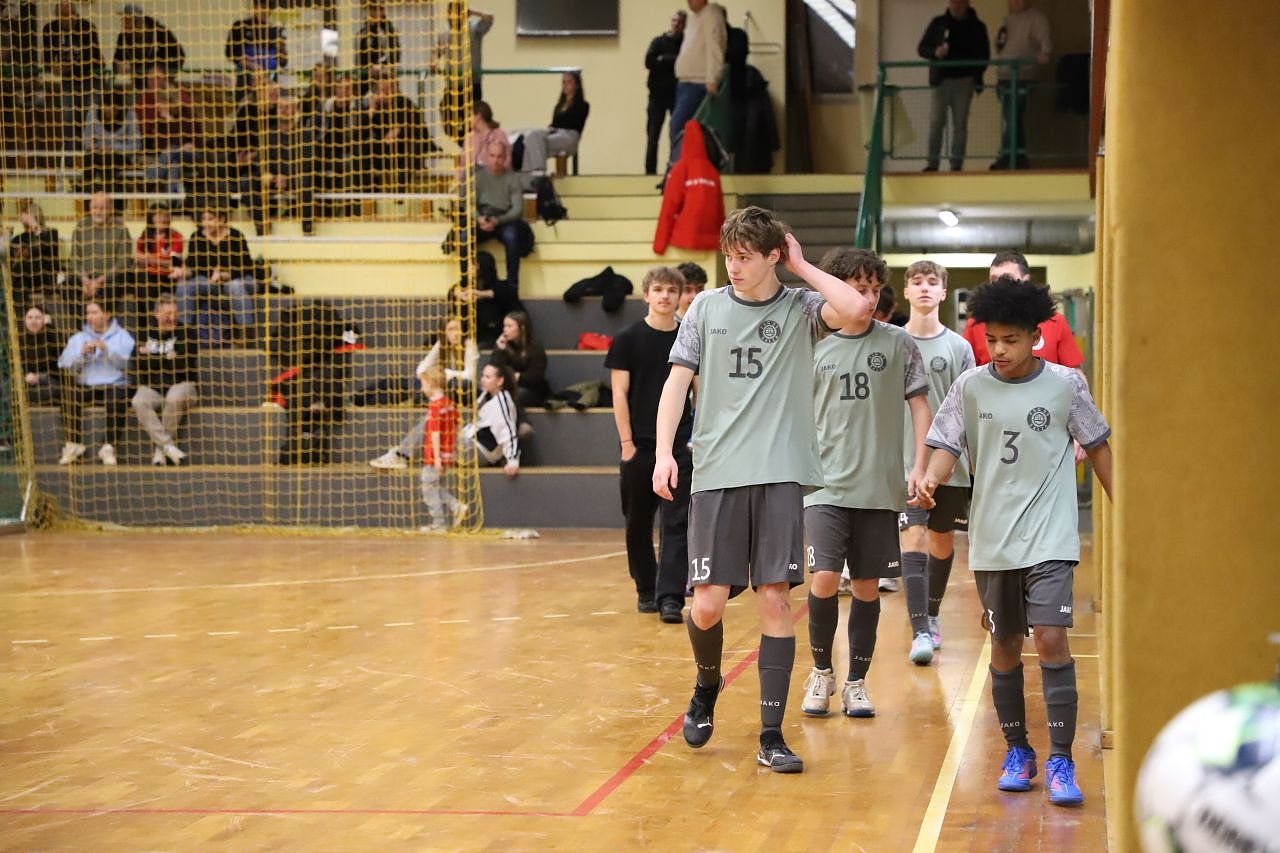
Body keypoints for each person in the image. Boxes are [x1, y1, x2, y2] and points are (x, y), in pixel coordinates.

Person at [652, 206, 875, 774]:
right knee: (706, 606)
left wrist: (803, 266)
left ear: (774, 255)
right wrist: (663, 453)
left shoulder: (801, 308)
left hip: (779, 474)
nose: (734, 266)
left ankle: (771, 735)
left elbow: (856, 307)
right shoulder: (705, 308)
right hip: (717, 473)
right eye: (729, 256)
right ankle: (706, 686)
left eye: (746, 257)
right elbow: (676, 383)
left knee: (775, 599)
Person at [915, 275, 1113, 808]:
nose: (999, 350)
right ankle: (1018, 751)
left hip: (1050, 535)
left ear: (1034, 338)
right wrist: (931, 478)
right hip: (992, 539)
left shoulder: (1066, 385)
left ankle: (1061, 759)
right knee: (1003, 645)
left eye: (1010, 340)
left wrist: (1127, 509)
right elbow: (945, 443)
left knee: (1049, 636)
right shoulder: (970, 386)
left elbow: (1098, 446)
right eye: (992, 340)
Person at [799, 248, 931, 719]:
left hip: (878, 487)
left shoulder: (899, 343)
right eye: (859, 289)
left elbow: (920, 407)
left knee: (867, 587)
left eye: (875, 290)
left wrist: (920, 465)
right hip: (823, 486)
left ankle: (856, 681)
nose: (869, 299)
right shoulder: (811, 342)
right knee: (824, 578)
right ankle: (821, 672)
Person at [606, 266, 694, 624]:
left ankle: (670, 597)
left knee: (677, 525)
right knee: (638, 524)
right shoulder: (627, 339)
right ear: (646, 295)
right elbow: (619, 394)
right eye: (658, 289)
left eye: (672, 290)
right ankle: (645, 588)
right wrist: (627, 444)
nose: (665, 296)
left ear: (679, 296)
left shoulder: (688, 337)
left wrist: (695, 440)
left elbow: (700, 390)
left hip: (679, 447)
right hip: (639, 448)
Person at [897, 260, 975, 655]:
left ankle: (931, 612)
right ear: (906, 291)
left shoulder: (959, 347)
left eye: (932, 282)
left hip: (949, 465)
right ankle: (920, 632)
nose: (924, 287)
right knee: (913, 537)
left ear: (944, 292)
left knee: (941, 544)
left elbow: (970, 407)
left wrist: (968, 457)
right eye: (917, 282)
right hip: (904, 461)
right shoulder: (893, 342)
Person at [368, 315, 479, 469]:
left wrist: (444, 373)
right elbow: (421, 369)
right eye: (451, 329)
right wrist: (431, 376)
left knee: (442, 400)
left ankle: (401, 454)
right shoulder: (441, 345)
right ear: (444, 332)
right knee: (394, 382)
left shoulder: (469, 345)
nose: (455, 333)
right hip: (438, 386)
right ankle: (355, 399)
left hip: (459, 391)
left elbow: (469, 376)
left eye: (458, 329)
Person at [962, 250, 1082, 369]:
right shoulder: (976, 323)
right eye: (994, 279)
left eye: (1007, 278)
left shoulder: (1055, 321)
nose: (1000, 285)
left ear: (1026, 280)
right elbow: (965, 370)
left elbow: (1074, 371)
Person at [56, 298, 134, 466]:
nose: (89, 317)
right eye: (88, 313)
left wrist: (106, 349)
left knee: (117, 400)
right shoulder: (78, 337)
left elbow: (128, 365)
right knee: (69, 396)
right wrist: (82, 355)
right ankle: (74, 444)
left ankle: (108, 447)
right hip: (87, 384)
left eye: (94, 312)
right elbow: (64, 364)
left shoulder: (123, 336)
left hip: (115, 384)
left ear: (107, 314)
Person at [917, 0, 989, 172]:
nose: (955, 4)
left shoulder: (977, 27)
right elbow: (922, 48)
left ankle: (956, 165)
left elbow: (984, 55)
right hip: (941, 80)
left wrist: (974, 75)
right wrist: (935, 52)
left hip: (965, 81)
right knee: (936, 123)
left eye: (958, 1)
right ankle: (932, 164)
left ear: (966, 3)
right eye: (952, 1)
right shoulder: (938, 23)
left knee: (960, 126)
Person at [132, 294, 197, 466]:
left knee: (173, 398)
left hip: (183, 385)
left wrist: (152, 356)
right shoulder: (145, 333)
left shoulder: (187, 332)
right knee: (138, 401)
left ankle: (160, 450)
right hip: (153, 388)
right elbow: (138, 362)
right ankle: (168, 447)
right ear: (157, 314)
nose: (173, 317)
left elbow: (183, 364)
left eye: (175, 313)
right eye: (168, 313)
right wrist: (167, 357)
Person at [176, 207, 257, 344]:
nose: (205, 223)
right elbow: (194, 266)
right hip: (210, 281)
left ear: (222, 219)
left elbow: (245, 266)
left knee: (235, 286)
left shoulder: (236, 235)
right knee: (184, 286)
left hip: (238, 278)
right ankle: (183, 333)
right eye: (203, 219)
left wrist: (224, 275)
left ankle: (246, 334)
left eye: (210, 219)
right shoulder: (197, 236)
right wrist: (183, 272)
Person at [991, 0, 1051, 170]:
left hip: (1023, 77)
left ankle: (1006, 157)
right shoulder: (1006, 20)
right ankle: (1020, 159)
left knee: (1012, 117)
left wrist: (1043, 54)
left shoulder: (1037, 18)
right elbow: (999, 45)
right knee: (1013, 118)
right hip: (1003, 77)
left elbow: (1046, 47)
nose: (1015, 2)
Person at [653, 120, 724, 255]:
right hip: (710, 240)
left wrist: (659, 245)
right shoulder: (713, 172)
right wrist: (724, 243)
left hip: (685, 238)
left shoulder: (680, 169)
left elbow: (669, 207)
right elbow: (720, 210)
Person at [474, 139, 534, 292]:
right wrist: (478, 218)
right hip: (482, 217)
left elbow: (517, 210)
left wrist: (497, 221)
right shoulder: (477, 177)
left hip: (504, 220)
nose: (496, 161)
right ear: (486, 156)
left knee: (511, 236)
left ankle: (512, 285)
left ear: (505, 157)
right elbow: (467, 204)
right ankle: (466, 283)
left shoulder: (512, 179)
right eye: (492, 156)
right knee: (463, 237)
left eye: (499, 156)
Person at [42, 0, 102, 151]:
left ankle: (90, 153)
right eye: (62, 15)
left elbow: (96, 57)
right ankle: (71, 156)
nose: (66, 19)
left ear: (75, 14)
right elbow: (48, 60)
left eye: (68, 14)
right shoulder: (50, 29)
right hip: (68, 81)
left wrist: (73, 65)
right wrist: (55, 67)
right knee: (68, 118)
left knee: (90, 117)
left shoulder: (87, 27)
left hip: (89, 79)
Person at [668, 0, 725, 151]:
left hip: (698, 83)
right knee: (681, 129)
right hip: (685, 82)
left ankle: (680, 163)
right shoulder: (693, 18)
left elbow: (715, 48)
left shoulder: (711, 15)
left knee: (678, 127)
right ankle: (682, 162)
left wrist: (713, 78)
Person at [514, 71, 589, 176]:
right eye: (563, 82)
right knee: (531, 137)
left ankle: (539, 171)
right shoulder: (559, 105)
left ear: (576, 85)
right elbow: (555, 123)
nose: (565, 85)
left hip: (569, 137)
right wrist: (551, 128)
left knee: (536, 144)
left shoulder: (583, 105)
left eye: (568, 82)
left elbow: (574, 123)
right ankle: (529, 173)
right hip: (555, 133)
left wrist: (555, 128)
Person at [418, 366, 465, 531]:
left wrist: (437, 457)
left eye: (423, 384)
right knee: (436, 487)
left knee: (428, 489)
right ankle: (456, 507)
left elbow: (435, 433)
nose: (422, 389)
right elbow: (457, 427)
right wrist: (451, 451)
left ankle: (439, 524)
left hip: (434, 456)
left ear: (432, 384)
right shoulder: (450, 404)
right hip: (447, 453)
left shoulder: (435, 406)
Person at [70, 191, 134, 306]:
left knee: (114, 287)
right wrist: (84, 279)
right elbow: (75, 258)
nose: (98, 211)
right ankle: (83, 317)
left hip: (110, 278)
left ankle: (103, 316)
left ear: (110, 209)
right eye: (95, 207)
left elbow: (123, 261)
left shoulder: (121, 228)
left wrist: (100, 281)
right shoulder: (81, 227)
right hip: (85, 278)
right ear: (90, 209)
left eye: (102, 208)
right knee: (65, 285)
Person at [460, 362, 520, 479]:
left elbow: (508, 431)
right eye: (483, 376)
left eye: (487, 377)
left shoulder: (502, 402)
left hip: (483, 451)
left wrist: (513, 461)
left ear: (499, 381)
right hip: (472, 442)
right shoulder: (486, 396)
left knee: (438, 432)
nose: (482, 379)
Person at [643, 9, 686, 175]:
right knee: (653, 136)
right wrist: (671, 60)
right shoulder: (658, 41)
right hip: (657, 95)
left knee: (677, 135)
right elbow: (649, 61)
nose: (676, 24)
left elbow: (684, 61)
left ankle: (674, 171)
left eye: (679, 22)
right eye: (674, 21)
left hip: (677, 95)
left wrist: (663, 59)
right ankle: (650, 172)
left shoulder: (686, 43)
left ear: (684, 25)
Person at [81, 86, 141, 193]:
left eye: (113, 109)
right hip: (97, 154)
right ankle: (88, 195)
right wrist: (95, 147)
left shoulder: (130, 116)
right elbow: (86, 141)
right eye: (106, 108)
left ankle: (110, 195)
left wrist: (113, 147)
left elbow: (136, 145)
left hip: (120, 156)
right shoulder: (93, 113)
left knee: (107, 160)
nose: (108, 111)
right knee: (89, 160)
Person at [112, 4, 184, 90]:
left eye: (126, 20)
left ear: (138, 21)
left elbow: (180, 55)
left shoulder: (160, 32)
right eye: (123, 20)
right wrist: (119, 66)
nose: (122, 24)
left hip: (161, 85)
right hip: (138, 85)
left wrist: (164, 72)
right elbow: (117, 60)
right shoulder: (123, 37)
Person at [225, 0, 287, 98]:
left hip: (270, 85)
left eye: (268, 8)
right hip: (246, 84)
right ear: (255, 7)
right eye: (262, 7)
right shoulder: (241, 26)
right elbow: (231, 54)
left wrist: (281, 47)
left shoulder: (275, 30)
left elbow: (283, 62)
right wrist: (255, 67)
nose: (265, 11)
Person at [488, 310, 549, 409]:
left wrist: (517, 376)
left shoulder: (535, 347)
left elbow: (537, 376)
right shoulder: (502, 344)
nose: (505, 329)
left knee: (513, 396)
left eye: (509, 326)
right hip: (507, 387)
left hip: (532, 389)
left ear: (522, 328)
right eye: (504, 326)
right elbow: (493, 369)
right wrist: (499, 350)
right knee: (493, 394)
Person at [8, 201, 61, 309]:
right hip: (26, 279)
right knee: (20, 279)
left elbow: (42, 249)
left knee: (20, 266)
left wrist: (35, 226)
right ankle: (21, 315)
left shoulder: (51, 234)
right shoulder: (19, 238)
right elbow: (12, 257)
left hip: (45, 277)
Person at [132, 203, 184, 313]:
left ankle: (153, 319)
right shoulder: (145, 236)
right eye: (158, 216)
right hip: (147, 275)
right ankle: (146, 321)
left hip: (167, 277)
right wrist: (158, 261)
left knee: (147, 285)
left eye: (165, 216)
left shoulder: (176, 236)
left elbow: (173, 262)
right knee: (141, 281)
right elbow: (138, 259)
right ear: (151, 218)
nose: (162, 219)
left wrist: (150, 259)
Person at [19, 305, 63, 407]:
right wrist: (26, 376)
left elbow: (60, 354)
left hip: (47, 380)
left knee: (53, 390)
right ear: (24, 320)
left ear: (44, 320)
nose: (33, 321)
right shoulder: (19, 340)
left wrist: (49, 326)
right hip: (25, 381)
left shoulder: (51, 337)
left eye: (38, 318)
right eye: (30, 317)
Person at [355, 0, 400, 82]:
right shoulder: (362, 32)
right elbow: (359, 58)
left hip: (385, 77)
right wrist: (368, 67)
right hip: (366, 78)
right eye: (370, 9)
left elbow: (395, 55)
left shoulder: (390, 31)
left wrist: (382, 65)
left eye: (377, 9)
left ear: (383, 11)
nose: (373, 13)